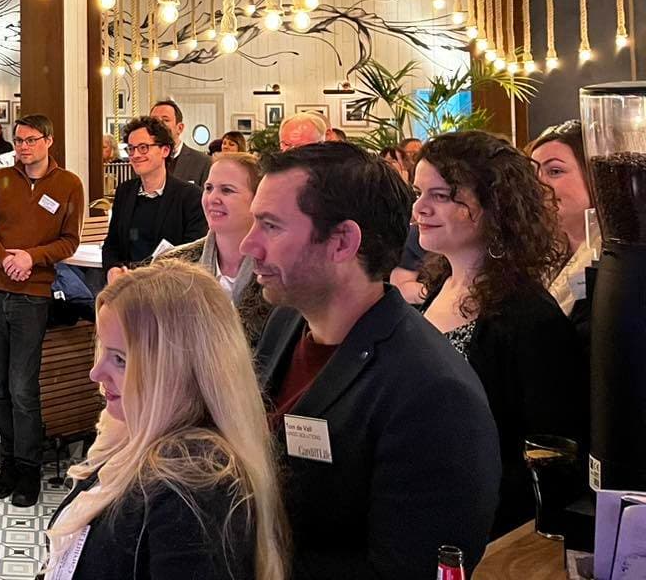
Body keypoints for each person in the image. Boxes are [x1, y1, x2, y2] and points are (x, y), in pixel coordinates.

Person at [245, 142, 501, 579]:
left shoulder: (433, 396)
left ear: (342, 241)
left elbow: (405, 569)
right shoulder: (285, 323)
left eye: (271, 226)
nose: (250, 245)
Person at [43, 260, 287, 580]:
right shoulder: (133, 435)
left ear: (174, 368)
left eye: (119, 359)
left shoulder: (194, 483)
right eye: (102, 350)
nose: (95, 373)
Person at [414, 131, 582, 536]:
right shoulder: (441, 287)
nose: (420, 208)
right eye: (418, 193)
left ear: (494, 204)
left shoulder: (527, 315)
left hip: (485, 530)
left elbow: (548, 456)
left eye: (441, 195)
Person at [0, 114, 84, 507]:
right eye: (18, 141)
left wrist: (31, 258)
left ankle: (28, 467)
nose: (22, 147)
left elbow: (69, 241)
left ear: (48, 141)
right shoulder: (2, 179)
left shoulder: (69, 184)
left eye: (31, 140)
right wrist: (4, 259)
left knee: (23, 387)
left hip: (32, 297)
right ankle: (7, 460)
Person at [160, 153, 272, 346]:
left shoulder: (279, 272)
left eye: (227, 190)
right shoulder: (171, 266)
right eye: (208, 188)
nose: (212, 198)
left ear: (258, 199)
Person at [102, 116, 206, 281]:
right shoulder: (125, 192)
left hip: (170, 289)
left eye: (143, 148)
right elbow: (112, 243)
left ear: (165, 150)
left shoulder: (190, 196)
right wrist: (112, 269)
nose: (135, 155)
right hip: (126, 286)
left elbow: (192, 253)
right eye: (131, 148)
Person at [528, 121, 599, 326]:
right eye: (534, 174)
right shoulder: (534, 252)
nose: (539, 185)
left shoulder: (620, 259)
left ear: (592, 174)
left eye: (555, 171)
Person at [150, 100, 209, 185]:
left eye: (165, 120)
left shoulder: (203, 162)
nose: (158, 125)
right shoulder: (144, 160)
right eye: (154, 121)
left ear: (180, 128)